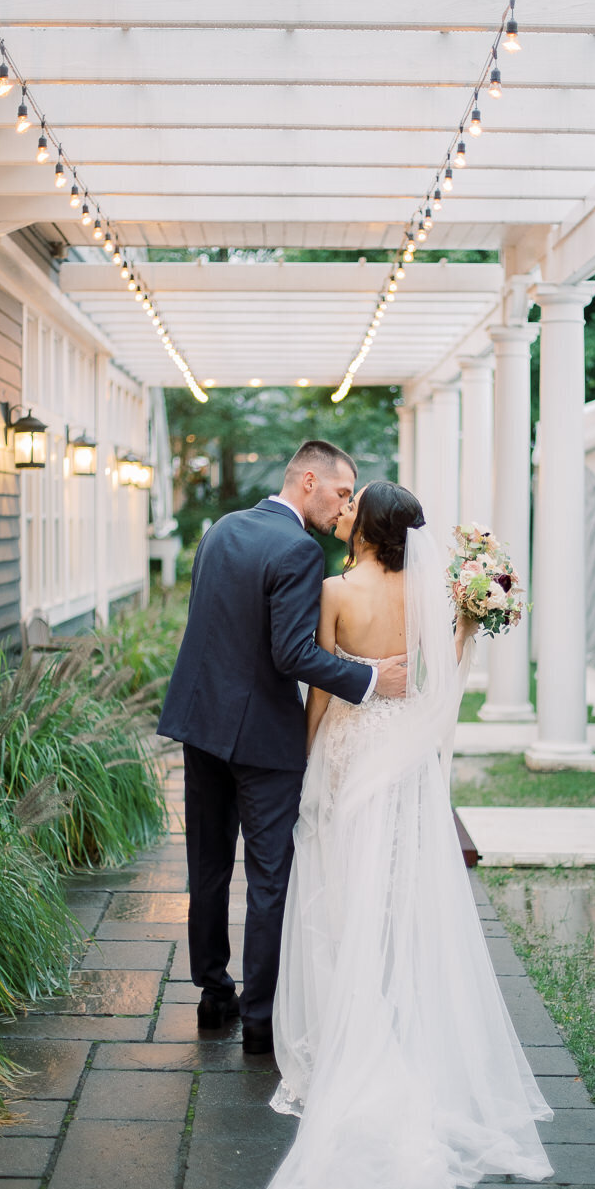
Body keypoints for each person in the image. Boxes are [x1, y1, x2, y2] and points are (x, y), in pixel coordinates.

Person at [248, 481, 553, 1189]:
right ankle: (398, 1011)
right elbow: (439, 676)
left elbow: (320, 689)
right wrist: (471, 625)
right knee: (401, 894)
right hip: (408, 758)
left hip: (354, 750)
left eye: (353, 511)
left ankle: (351, 1024)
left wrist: (312, 759)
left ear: (365, 530)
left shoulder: (335, 590)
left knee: (341, 891)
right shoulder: (440, 596)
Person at [157, 442, 408, 1056]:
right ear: (310, 480)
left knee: (209, 865)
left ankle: (214, 994)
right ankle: (261, 1020)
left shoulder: (221, 532)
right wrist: (374, 680)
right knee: (271, 877)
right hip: (263, 739)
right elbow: (291, 654)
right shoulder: (298, 549)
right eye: (342, 493)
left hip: (200, 723)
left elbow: (212, 625)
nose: (346, 506)